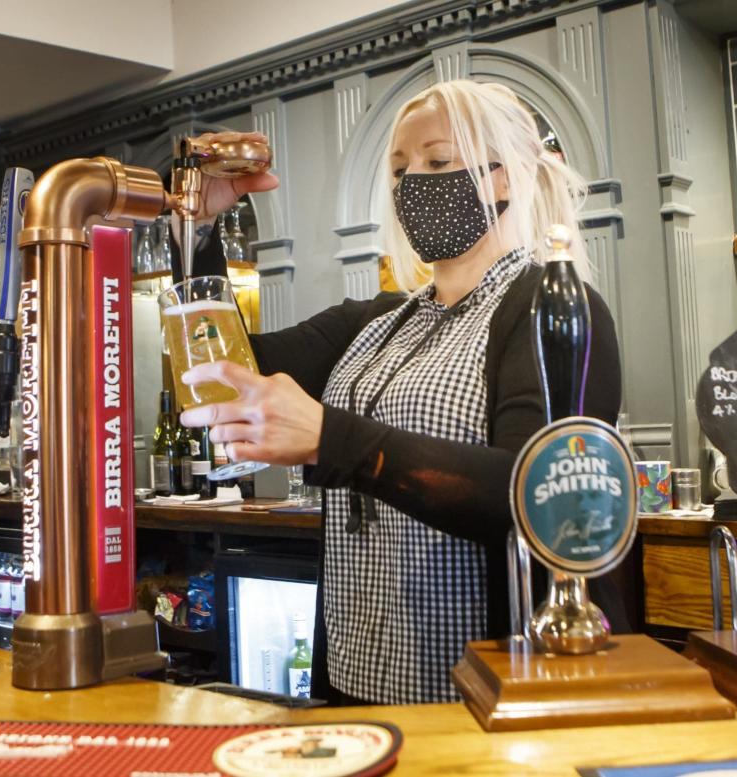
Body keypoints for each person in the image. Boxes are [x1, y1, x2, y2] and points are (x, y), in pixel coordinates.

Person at [178, 79, 625, 705]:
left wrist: (334, 439)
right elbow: (222, 364)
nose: (413, 182)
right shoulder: (379, 322)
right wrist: (202, 229)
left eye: (438, 162)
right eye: (399, 169)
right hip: (357, 678)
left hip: (474, 694)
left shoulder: (549, 306)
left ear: (503, 176)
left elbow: (533, 495)